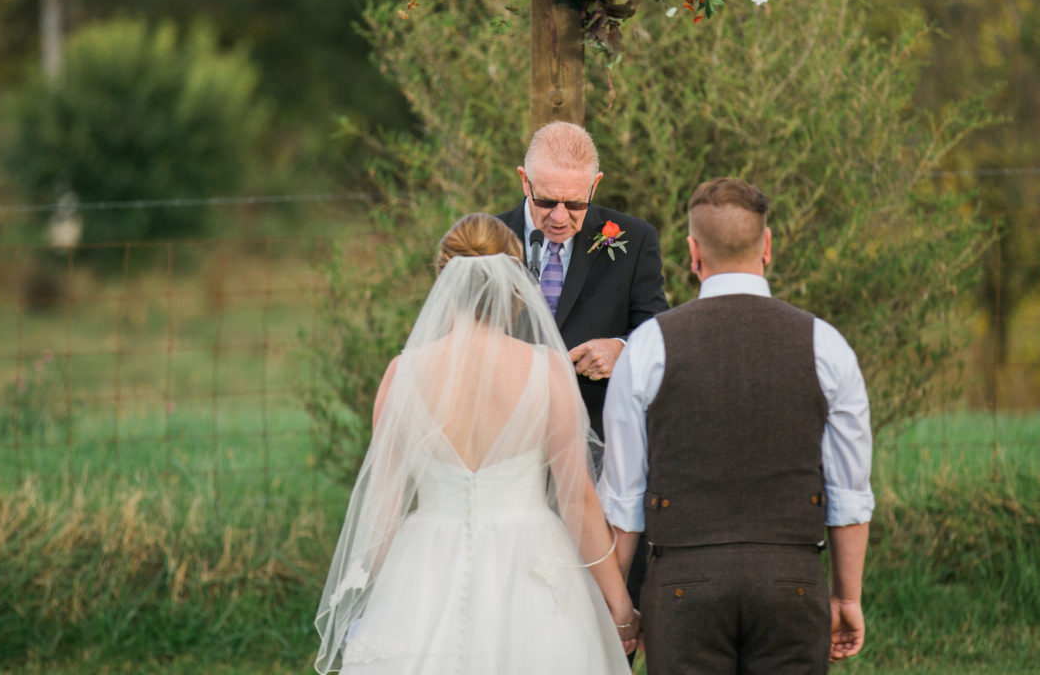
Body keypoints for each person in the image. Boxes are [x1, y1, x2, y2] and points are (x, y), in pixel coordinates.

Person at [313, 214, 639, 674]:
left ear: (443, 282)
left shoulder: (402, 374)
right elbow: (577, 501)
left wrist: (381, 601)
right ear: (514, 282)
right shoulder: (545, 371)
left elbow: (382, 510)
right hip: (529, 561)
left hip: (426, 560)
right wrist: (620, 605)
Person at [598, 178, 874, 674]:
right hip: (791, 581)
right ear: (767, 246)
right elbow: (849, 494)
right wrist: (846, 597)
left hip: (682, 586)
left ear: (692, 252)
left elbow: (623, 499)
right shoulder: (825, 345)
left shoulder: (646, 347)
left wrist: (618, 608)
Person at [497, 122, 670, 442]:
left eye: (575, 204)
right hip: (502, 436)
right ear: (525, 181)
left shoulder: (635, 239)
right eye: (547, 201)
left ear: (595, 186)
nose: (560, 217)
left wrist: (622, 350)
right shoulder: (487, 239)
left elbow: (658, 332)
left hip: (596, 438)